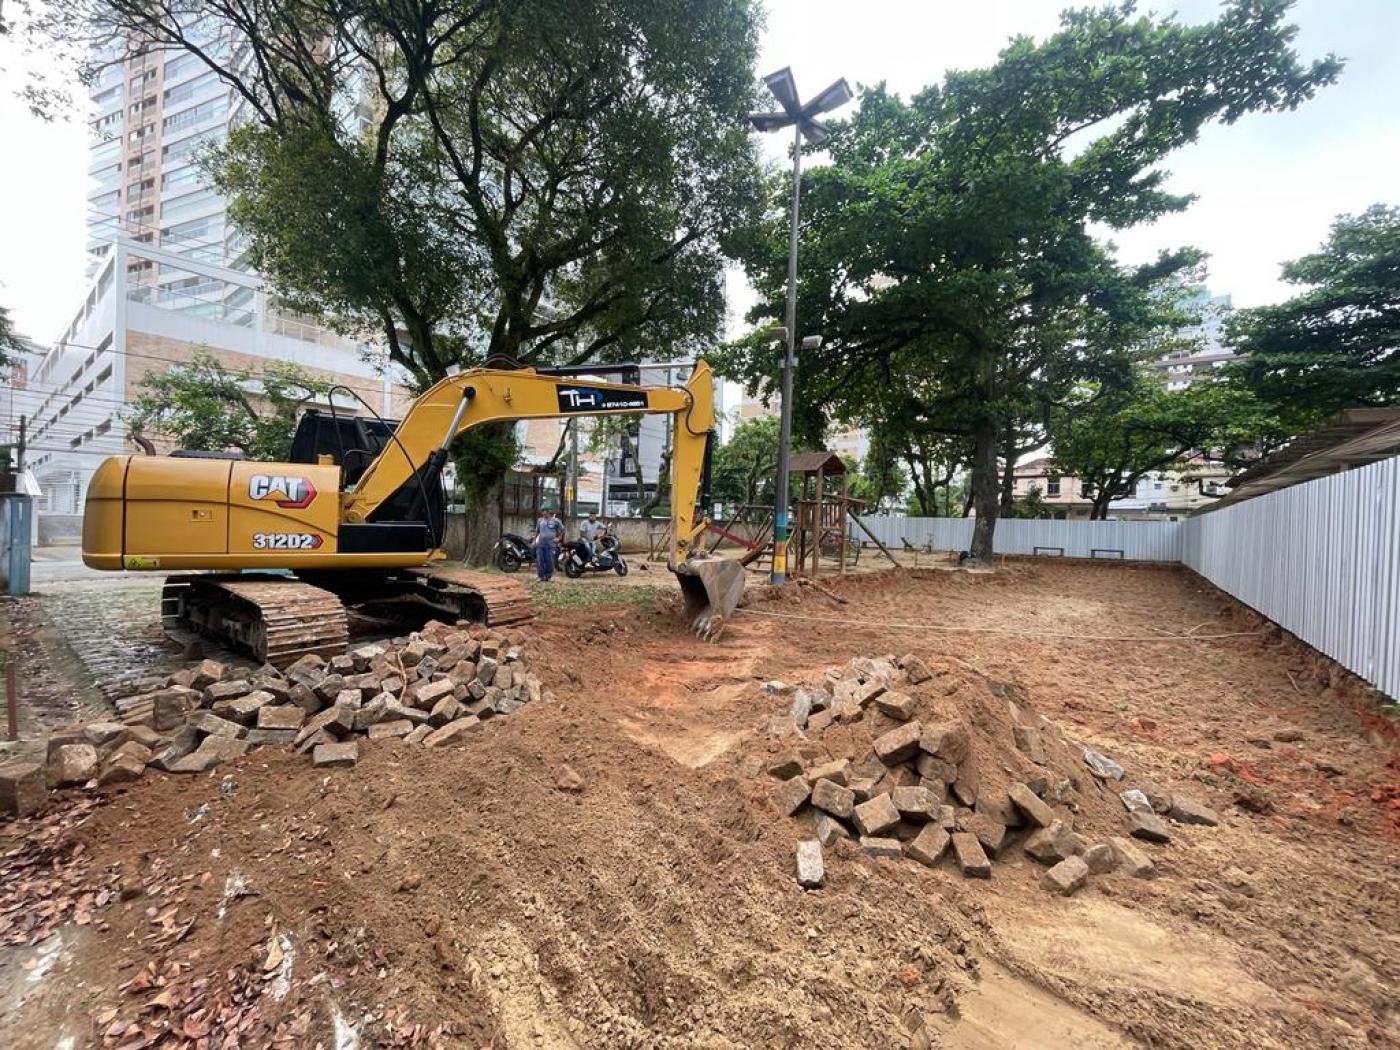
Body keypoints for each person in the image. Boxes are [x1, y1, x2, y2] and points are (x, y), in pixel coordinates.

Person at [533, 507, 563, 581]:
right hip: (541, 544)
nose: (544, 513)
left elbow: (562, 530)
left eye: (545, 511)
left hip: (551, 544)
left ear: (549, 512)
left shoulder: (556, 521)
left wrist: (558, 538)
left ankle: (548, 576)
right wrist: (534, 541)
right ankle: (541, 576)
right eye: (543, 511)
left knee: (549, 561)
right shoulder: (540, 520)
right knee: (540, 560)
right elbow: (537, 532)